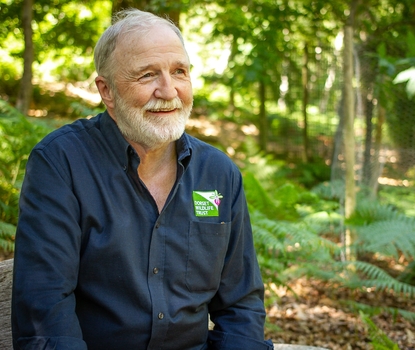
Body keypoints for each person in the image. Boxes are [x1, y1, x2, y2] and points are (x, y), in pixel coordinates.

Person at [11, 9, 274, 350]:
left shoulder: (218, 174)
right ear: (107, 91)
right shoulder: (61, 164)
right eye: (148, 74)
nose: (168, 90)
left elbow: (241, 305)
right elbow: (46, 311)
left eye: (179, 72)